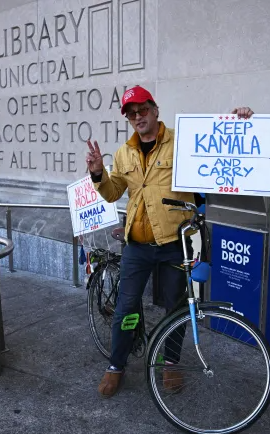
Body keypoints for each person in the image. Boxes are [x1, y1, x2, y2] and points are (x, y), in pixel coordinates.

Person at [86, 85, 253, 398]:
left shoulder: (184, 141)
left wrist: (237, 126)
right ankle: (116, 366)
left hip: (175, 243)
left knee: (176, 310)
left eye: (143, 110)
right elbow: (112, 193)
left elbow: (218, 151)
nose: (138, 117)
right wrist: (98, 174)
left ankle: (171, 362)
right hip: (136, 244)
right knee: (126, 308)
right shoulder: (124, 153)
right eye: (131, 113)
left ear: (155, 109)